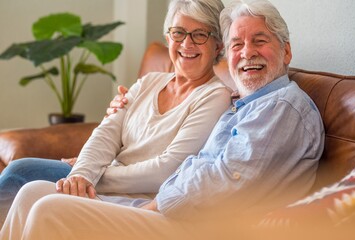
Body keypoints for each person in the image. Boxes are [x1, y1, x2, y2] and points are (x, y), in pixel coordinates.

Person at [0, 0, 325, 239]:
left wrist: (148, 203)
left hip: (195, 223)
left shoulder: (280, 106)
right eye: (238, 44)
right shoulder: (245, 104)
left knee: (47, 204)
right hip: (165, 205)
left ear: (286, 52)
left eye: (260, 40)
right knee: (34, 191)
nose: (246, 52)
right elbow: (108, 134)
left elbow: (225, 179)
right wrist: (85, 172)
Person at [0, 0, 230, 227]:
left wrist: (93, 176)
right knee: (26, 184)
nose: (186, 43)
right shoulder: (149, 82)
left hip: (139, 197)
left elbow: (166, 170)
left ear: (218, 45)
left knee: (25, 177)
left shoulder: (215, 96)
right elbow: (106, 133)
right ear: (168, 37)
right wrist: (81, 174)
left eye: (200, 35)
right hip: (105, 177)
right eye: (179, 32)